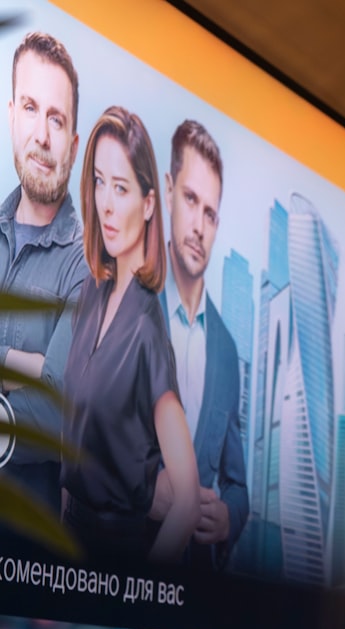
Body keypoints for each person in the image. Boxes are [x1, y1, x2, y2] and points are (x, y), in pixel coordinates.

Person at [60, 105, 198, 563]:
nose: (106, 203)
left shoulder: (146, 327)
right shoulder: (91, 291)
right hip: (65, 549)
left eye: (121, 187)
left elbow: (187, 496)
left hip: (111, 558)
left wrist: (140, 586)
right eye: (99, 181)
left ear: (150, 203)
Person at [154, 119, 248, 570]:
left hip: (197, 595)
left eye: (210, 213)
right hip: (116, 579)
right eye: (191, 200)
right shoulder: (131, 307)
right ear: (168, 190)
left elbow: (238, 483)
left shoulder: (228, 351)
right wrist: (143, 488)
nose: (199, 225)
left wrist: (229, 516)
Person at [0, 32, 88, 511]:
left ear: (73, 144)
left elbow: (59, 413)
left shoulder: (88, 265)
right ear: (11, 115)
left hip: (25, 568)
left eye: (57, 118)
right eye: (31, 109)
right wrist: (27, 366)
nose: (42, 135)